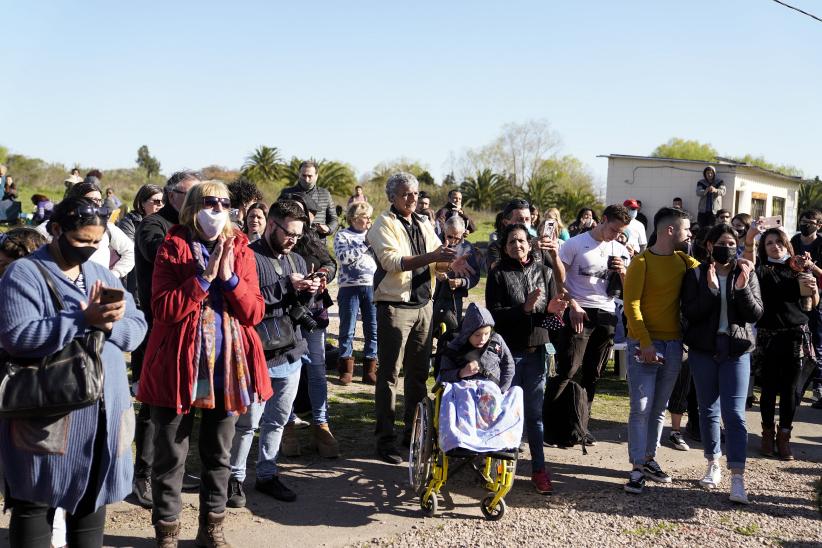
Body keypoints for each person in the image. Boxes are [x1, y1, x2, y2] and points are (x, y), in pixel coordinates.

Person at [0, 197, 147, 547]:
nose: (90, 249)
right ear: (55, 230)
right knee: (35, 507)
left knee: (90, 509)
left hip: (103, 419)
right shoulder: (24, 273)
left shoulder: (101, 273)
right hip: (47, 416)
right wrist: (82, 319)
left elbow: (137, 326)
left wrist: (110, 327)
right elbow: (17, 337)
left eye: (97, 242)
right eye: (82, 241)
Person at [137, 181, 269, 546]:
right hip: (178, 367)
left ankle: (212, 527)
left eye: (224, 203)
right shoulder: (173, 247)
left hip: (228, 366)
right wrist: (203, 277)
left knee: (218, 453)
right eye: (210, 202)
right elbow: (163, 309)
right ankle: (167, 531)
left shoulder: (241, 249)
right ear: (193, 206)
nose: (217, 209)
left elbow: (255, 312)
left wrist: (228, 278)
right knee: (170, 454)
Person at [367, 172, 471, 464]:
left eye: (414, 193)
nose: (412, 198)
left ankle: (413, 432)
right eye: (405, 194)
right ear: (392, 197)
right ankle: (385, 440)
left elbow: (436, 259)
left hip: (424, 304)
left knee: (417, 375)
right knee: (389, 375)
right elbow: (392, 262)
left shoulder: (424, 223)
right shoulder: (382, 224)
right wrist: (434, 256)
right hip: (394, 306)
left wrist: (450, 260)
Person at [235, 199, 320, 505]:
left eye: (298, 236)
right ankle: (235, 478)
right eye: (289, 234)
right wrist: (285, 285)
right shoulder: (248, 257)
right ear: (272, 224)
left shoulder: (297, 259)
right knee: (247, 423)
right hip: (258, 354)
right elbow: (247, 303)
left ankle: (268, 474)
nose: (293, 241)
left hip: (291, 353)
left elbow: (298, 309)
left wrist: (309, 293)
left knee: (278, 421)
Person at [131, 171, 201, 508]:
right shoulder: (154, 225)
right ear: (172, 194)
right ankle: (143, 474)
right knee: (154, 403)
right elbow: (161, 256)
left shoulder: (194, 230)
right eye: (189, 194)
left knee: (185, 399)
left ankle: (174, 466)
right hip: (155, 325)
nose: (196, 201)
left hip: (191, 328)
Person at [682, 224, 763, 504]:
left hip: (737, 349)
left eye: (732, 243)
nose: (727, 248)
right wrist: (712, 291)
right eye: (722, 243)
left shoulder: (747, 272)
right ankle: (712, 462)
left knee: (735, 414)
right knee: (708, 409)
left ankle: (738, 477)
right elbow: (690, 312)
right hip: (704, 349)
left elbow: (755, 314)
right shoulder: (695, 274)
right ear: (709, 246)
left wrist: (740, 290)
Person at [486, 222, 567, 493]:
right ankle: (500, 467)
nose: (517, 246)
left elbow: (552, 321)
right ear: (504, 247)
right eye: (511, 242)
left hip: (537, 353)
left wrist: (555, 312)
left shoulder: (544, 272)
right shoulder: (498, 275)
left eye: (521, 240)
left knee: (534, 416)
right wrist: (524, 308)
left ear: (529, 243)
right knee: (506, 413)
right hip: (509, 354)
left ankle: (539, 470)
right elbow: (494, 316)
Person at [623, 207, 697, 494]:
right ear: (670, 230)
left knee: (658, 410)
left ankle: (649, 459)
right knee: (640, 408)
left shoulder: (683, 260)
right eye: (686, 228)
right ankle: (637, 469)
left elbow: (713, 272)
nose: (689, 234)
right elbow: (632, 306)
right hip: (644, 345)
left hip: (674, 345)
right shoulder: (640, 262)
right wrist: (645, 342)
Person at [547, 204, 631, 440]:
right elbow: (558, 279)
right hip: (578, 310)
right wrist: (572, 305)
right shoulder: (575, 243)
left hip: (606, 313)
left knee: (593, 372)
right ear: (602, 220)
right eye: (613, 229)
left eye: (620, 232)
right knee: (569, 368)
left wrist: (623, 272)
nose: (615, 235)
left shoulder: (619, 249)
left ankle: (581, 425)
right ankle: (552, 425)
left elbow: (627, 290)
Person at [279, 192, 339, 459]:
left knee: (317, 367)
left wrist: (324, 274)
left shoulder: (310, 238)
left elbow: (329, 262)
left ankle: (320, 423)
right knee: (289, 370)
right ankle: (288, 425)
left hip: (314, 311)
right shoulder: (275, 244)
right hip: (284, 315)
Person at [754, 228, 818, 461]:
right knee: (769, 388)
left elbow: (812, 302)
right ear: (764, 248)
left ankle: (784, 436)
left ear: (787, 245)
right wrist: (752, 236)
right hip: (769, 334)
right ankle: (767, 433)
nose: (774, 246)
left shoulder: (798, 267)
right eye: (769, 242)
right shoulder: (761, 270)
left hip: (796, 334)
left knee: (791, 390)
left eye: (778, 242)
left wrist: (813, 288)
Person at [37, 182, 135, 281]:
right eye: (92, 200)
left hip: (98, 288)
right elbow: (31, 243)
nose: (97, 204)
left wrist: (113, 275)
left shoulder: (108, 228)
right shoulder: (54, 226)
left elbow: (130, 251)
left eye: (99, 200)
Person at [334, 201, 378, 385]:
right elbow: (344, 258)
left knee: (373, 328)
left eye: (369, 216)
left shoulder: (375, 235)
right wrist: (365, 244)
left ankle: (370, 369)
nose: (368, 220)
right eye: (365, 216)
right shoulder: (342, 235)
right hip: (348, 287)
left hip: (371, 286)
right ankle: (346, 369)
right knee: (347, 328)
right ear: (354, 218)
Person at [486, 199, 565, 287]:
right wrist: (527, 249)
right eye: (519, 219)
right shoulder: (496, 246)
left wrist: (555, 256)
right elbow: (497, 272)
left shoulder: (538, 242)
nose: (524, 223)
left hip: (539, 296)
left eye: (527, 219)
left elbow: (561, 279)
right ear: (506, 222)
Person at [789, 209, 822, 408]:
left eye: (810, 222)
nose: (805, 224)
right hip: (796, 297)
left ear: (818, 225)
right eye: (803, 220)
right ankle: (796, 386)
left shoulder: (820, 244)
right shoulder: (794, 240)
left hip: (817, 297)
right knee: (797, 340)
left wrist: (812, 266)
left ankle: (817, 387)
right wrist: (797, 263)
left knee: (817, 343)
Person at [117, 184, 165, 302]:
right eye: (157, 202)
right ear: (142, 203)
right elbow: (129, 250)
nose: (161, 205)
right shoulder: (129, 222)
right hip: (135, 280)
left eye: (163, 202)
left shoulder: (165, 223)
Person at [280, 160, 338, 240]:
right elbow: (277, 216)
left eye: (310, 176)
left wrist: (328, 229)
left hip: (318, 243)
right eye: (304, 175)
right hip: (293, 243)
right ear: (299, 174)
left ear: (316, 176)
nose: (306, 179)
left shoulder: (325, 194)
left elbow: (333, 219)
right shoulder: (287, 194)